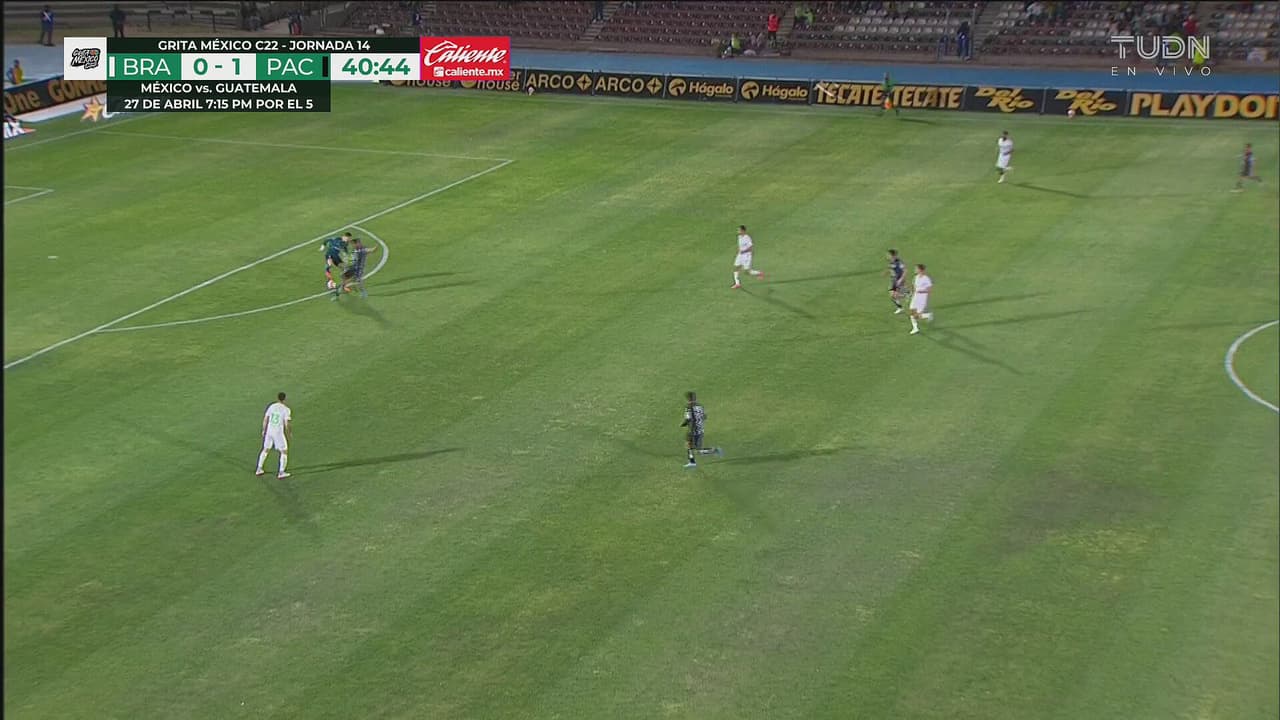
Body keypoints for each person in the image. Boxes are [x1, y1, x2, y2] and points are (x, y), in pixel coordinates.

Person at [680, 391, 722, 468]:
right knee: (690, 445)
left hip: (693, 430)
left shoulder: (688, 408)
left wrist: (683, 424)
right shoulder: (700, 406)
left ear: (688, 399)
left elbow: (688, 419)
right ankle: (692, 462)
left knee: (697, 450)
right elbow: (704, 416)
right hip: (700, 429)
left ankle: (714, 450)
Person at [256, 392, 292, 479]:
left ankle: (259, 468)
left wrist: (264, 430)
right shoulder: (286, 409)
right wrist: (289, 433)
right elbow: (286, 423)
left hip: (269, 431)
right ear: (285, 399)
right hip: (278, 433)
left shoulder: (272, 406)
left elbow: (265, 419)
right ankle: (281, 472)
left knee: (266, 449)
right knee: (284, 451)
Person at [731, 225, 765, 289]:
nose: (738, 231)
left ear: (743, 231)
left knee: (747, 272)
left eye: (739, 230)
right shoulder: (739, 237)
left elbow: (750, 247)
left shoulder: (747, 238)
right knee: (736, 268)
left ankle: (760, 273)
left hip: (746, 256)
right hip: (740, 255)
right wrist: (739, 251)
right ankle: (737, 284)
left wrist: (743, 251)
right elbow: (740, 246)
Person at [908, 264, 933, 335]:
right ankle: (915, 328)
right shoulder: (916, 277)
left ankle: (928, 315)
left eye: (916, 269)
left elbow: (929, 290)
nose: (915, 270)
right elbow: (914, 286)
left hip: (922, 299)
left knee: (916, 315)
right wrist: (911, 293)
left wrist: (921, 291)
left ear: (920, 270)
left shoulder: (926, 279)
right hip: (915, 297)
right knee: (912, 312)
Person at [886, 249, 907, 314]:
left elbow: (905, 271)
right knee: (892, 296)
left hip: (899, 280)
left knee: (895, 295)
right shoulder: (891, 262)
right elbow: (891, 269)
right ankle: (900, 307)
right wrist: (886, 272)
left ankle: (906, 294)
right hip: (893, 281)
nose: (887, 256)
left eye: (888, 255)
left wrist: (901, 279)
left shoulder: (899, 262)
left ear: (892, 255)